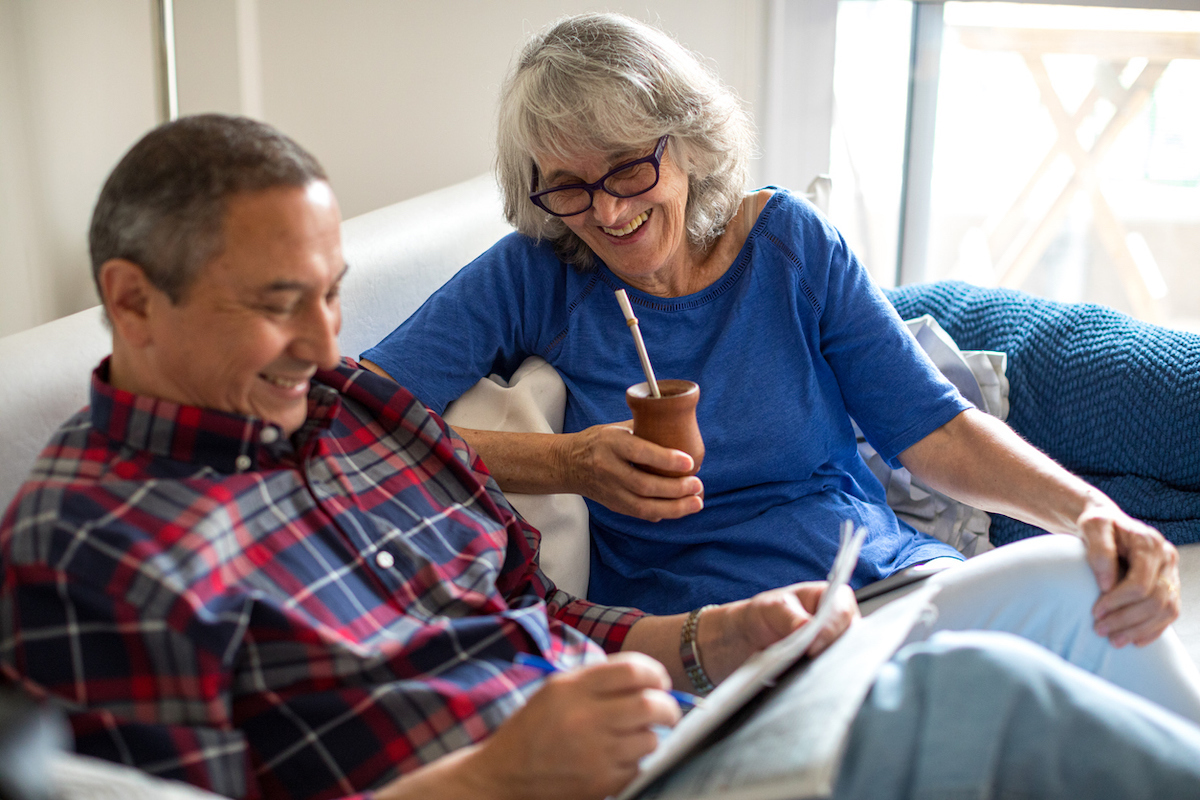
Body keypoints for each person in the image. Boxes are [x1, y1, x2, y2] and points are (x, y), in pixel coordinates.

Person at [4, 114, 1200, 800]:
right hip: (558, 785)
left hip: (672, 717)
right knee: (978, 697)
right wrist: (498, 773)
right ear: (132, 300)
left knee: (1062, 584)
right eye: (281, 305)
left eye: (333, 297)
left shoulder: (351, 411)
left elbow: (536, 607)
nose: (331, 345)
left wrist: (706, 639)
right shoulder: (92, 543)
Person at [359, 12, 1180, 654]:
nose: (606, 211)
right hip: (719, 635)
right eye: (569, 187)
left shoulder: (788, 245)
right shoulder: (538, 272)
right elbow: (354, 412)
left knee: (1093, 627)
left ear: (685, 145)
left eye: (627, 169)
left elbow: (933, 430)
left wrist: (1090, 513)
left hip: (888, 579)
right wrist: (569, 462)